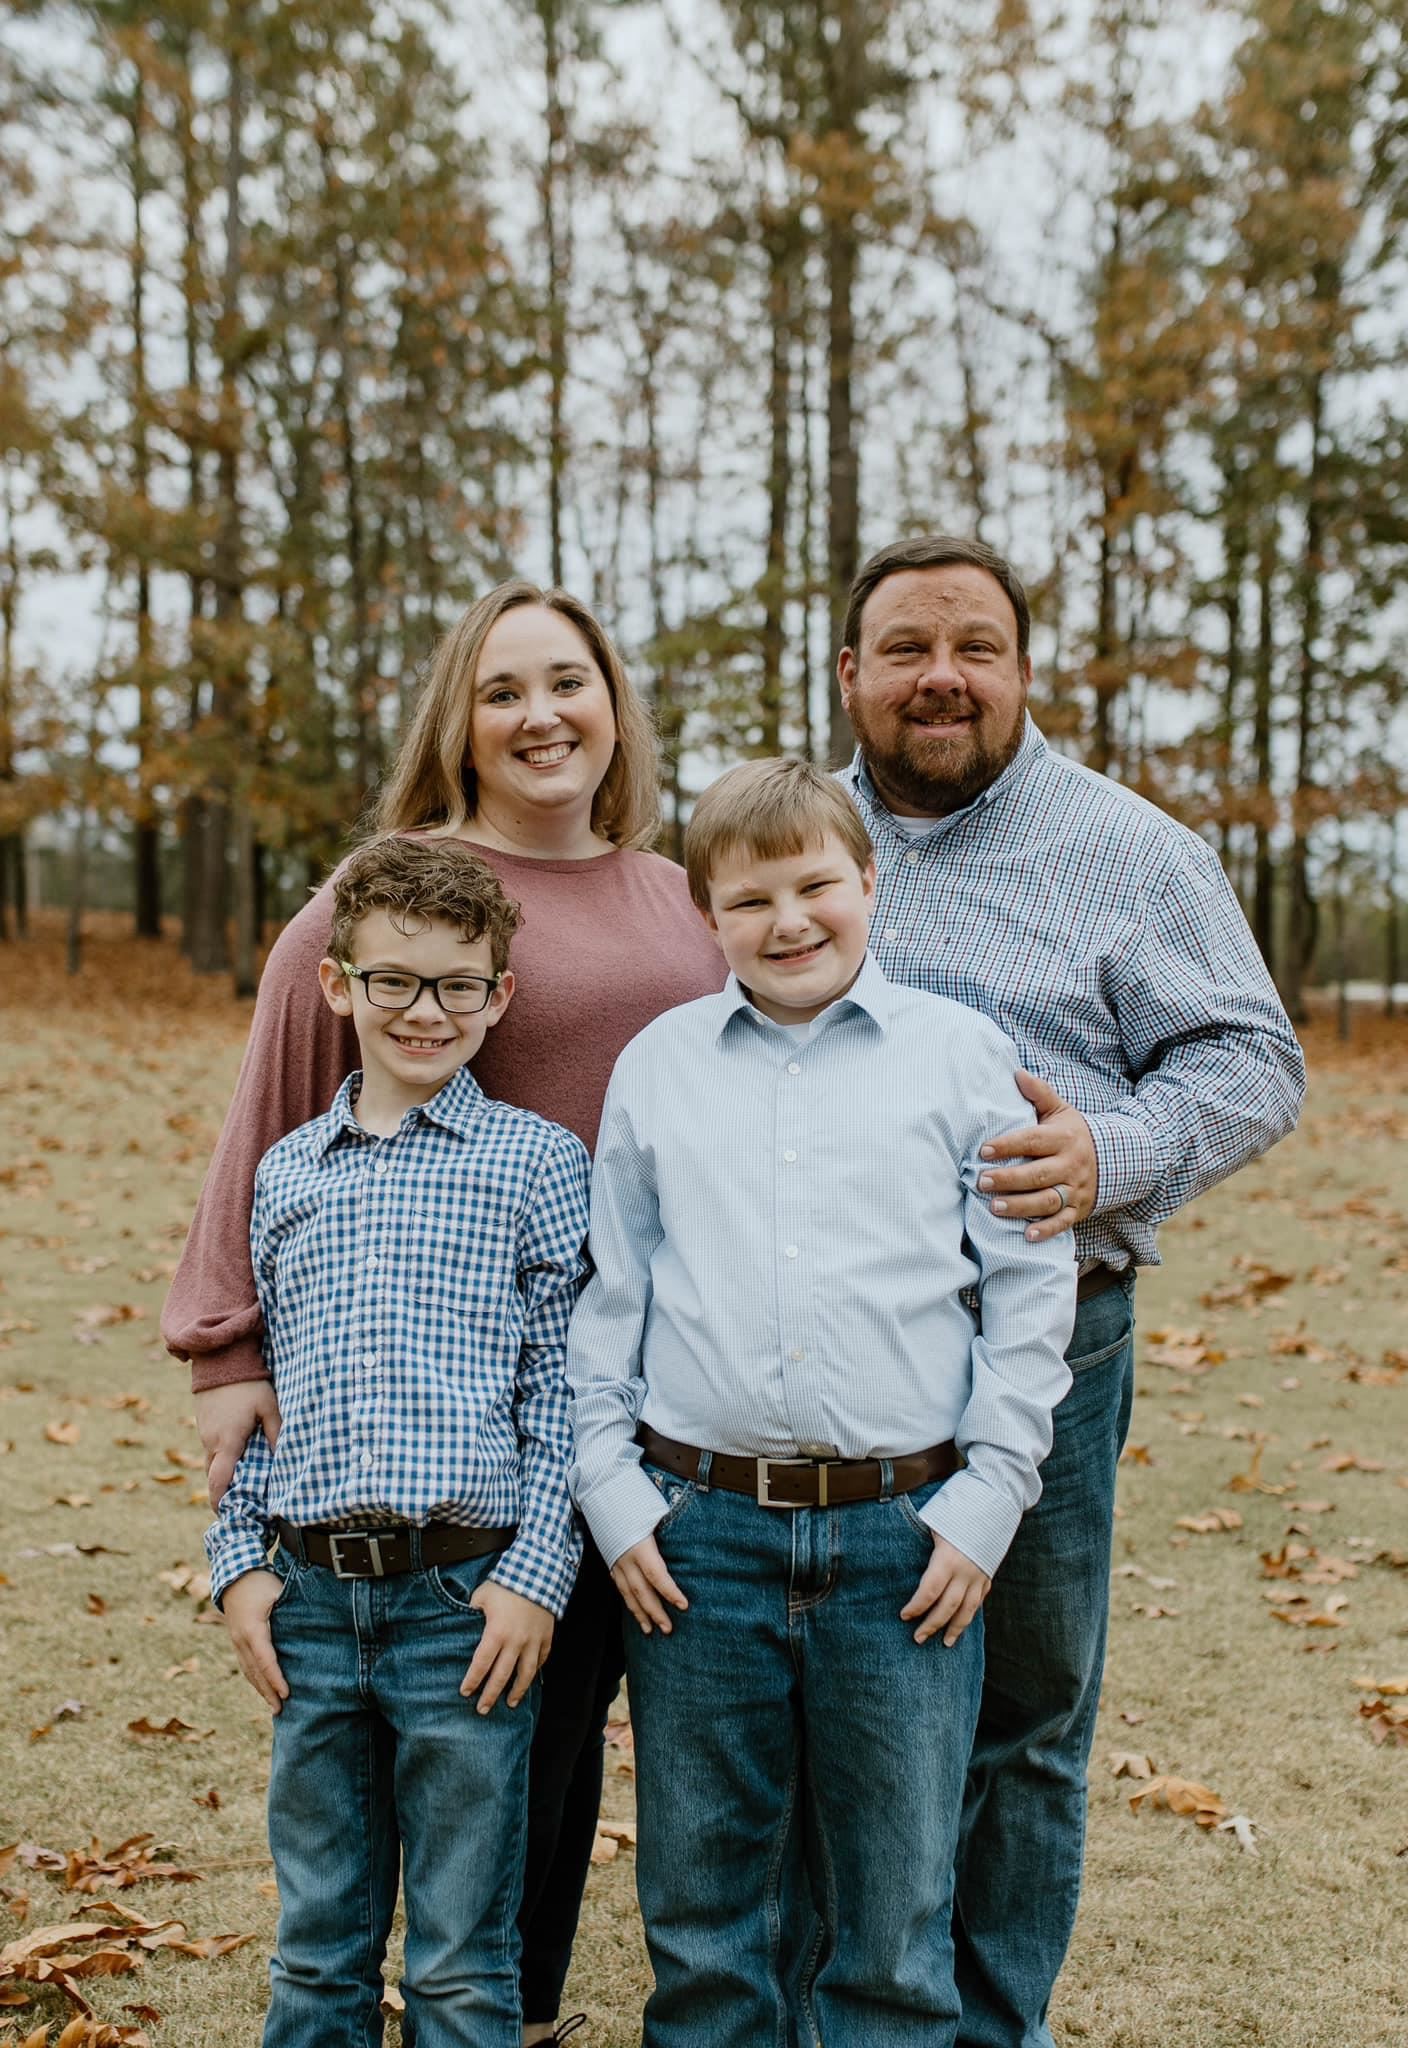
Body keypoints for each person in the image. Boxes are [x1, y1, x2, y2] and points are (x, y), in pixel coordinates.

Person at [163, 580, 726, 2046]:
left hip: (669, 1396)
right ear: (459, 724)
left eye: (570, 681)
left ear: (615, 699)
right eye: (502, 690)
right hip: (454, 1403)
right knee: (482, 1718)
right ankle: (471, 2002)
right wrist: (227, 1348)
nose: (542, 715)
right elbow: (277, 1111)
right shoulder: (392, 890)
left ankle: (528, 1999)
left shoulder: (683, 896)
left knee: (578, 1726)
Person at [833, 534, 1306, 2048]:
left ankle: (986, 2025)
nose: (941, 676)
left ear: (1024, 671)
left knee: (1024, 1718)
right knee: (824, 1707)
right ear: (850, 677)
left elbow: (1254, 1059)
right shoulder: (781, 840)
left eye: (975, 644)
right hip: (816, 1357)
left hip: (1047, 1346)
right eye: (906, 647)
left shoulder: (1135, 850)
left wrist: (1113, 1149)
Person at [567, 756, 1078, 2048]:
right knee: (703, 1913)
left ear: (869, 885)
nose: (790, 922)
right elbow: (610, 1293)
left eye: (817, 886)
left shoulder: (960, 1058)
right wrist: (615, 1496)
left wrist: (987, 1500)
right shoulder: (661, 1066)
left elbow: (1027, 1294)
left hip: (901, 1542)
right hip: (697, 1539)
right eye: (751, 900)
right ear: (708, 915)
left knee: (895, 1914)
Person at [209, 835, 590, 2046]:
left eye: (457, 985)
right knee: (317, 1942)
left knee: (463, 1960)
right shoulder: (287, 1175)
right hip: (314, 1601)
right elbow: (262, 1392)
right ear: (337, 985)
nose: (425, 1011)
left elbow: (564, 1390)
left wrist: (533, 1579)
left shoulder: (537, 1165)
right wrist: (240, 1561)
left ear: (499, 997)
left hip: (463, 1606)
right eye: (393, 981)